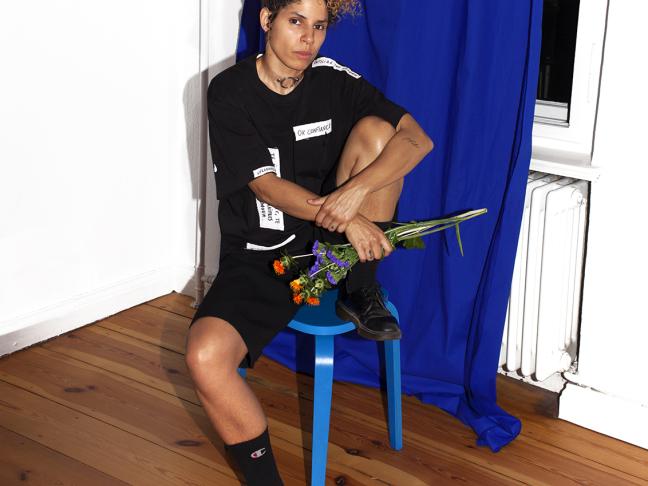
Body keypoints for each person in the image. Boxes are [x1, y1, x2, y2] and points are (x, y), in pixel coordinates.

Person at [185, 0, 433, 484]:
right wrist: (347, 217)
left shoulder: (332, 79)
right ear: (267, 20)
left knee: (379, 133)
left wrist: (355, 198)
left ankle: (361, 288)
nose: (308, 39)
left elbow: (417, 139)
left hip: (331, 250)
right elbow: (265, 186)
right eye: (296, 21)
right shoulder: (229, 91)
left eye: (319, 26)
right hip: (260, 257)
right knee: (204, 357)